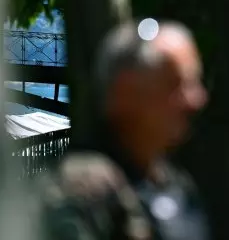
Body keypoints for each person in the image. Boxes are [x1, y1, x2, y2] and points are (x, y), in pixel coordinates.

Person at [39, 20, 210, 240]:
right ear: (124, 92)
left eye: (194, 83)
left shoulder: (177, 185)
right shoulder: (82, 191)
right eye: (176, 85)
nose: (196, 101)